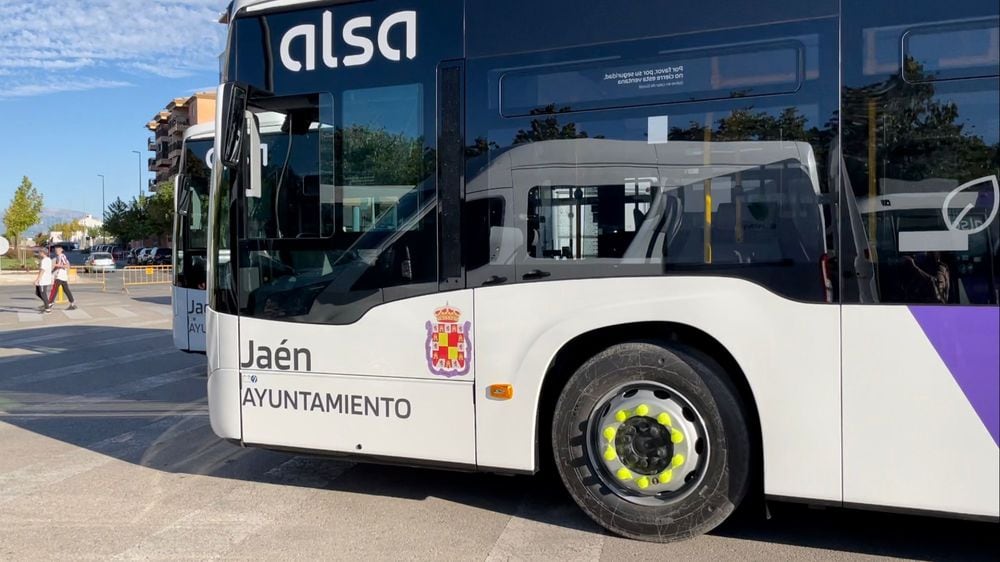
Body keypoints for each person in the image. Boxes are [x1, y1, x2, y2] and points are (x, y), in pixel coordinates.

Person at [49, 245, 77, 310]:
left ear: (61, 250)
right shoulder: (59, 256)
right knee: (66, 289)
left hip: (60, 275)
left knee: (54, 289)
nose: (56, 251)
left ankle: (50, 303)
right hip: (61, 275)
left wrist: (55, 265)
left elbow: (66, 265)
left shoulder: (62, 256)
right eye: (55, 250)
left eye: (58, 250)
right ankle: (72, 303)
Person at [34, 247, 53, 313]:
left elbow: (42, 270)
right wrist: (39, 264)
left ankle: (47, 309)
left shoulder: (44, 260)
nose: (39, 253)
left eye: (40, 252)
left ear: (43, 253)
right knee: (38, 292)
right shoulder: (48, 259)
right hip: (46, 278)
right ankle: (47, 303)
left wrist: (38, 279)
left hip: (43, 279)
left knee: (42, 293)